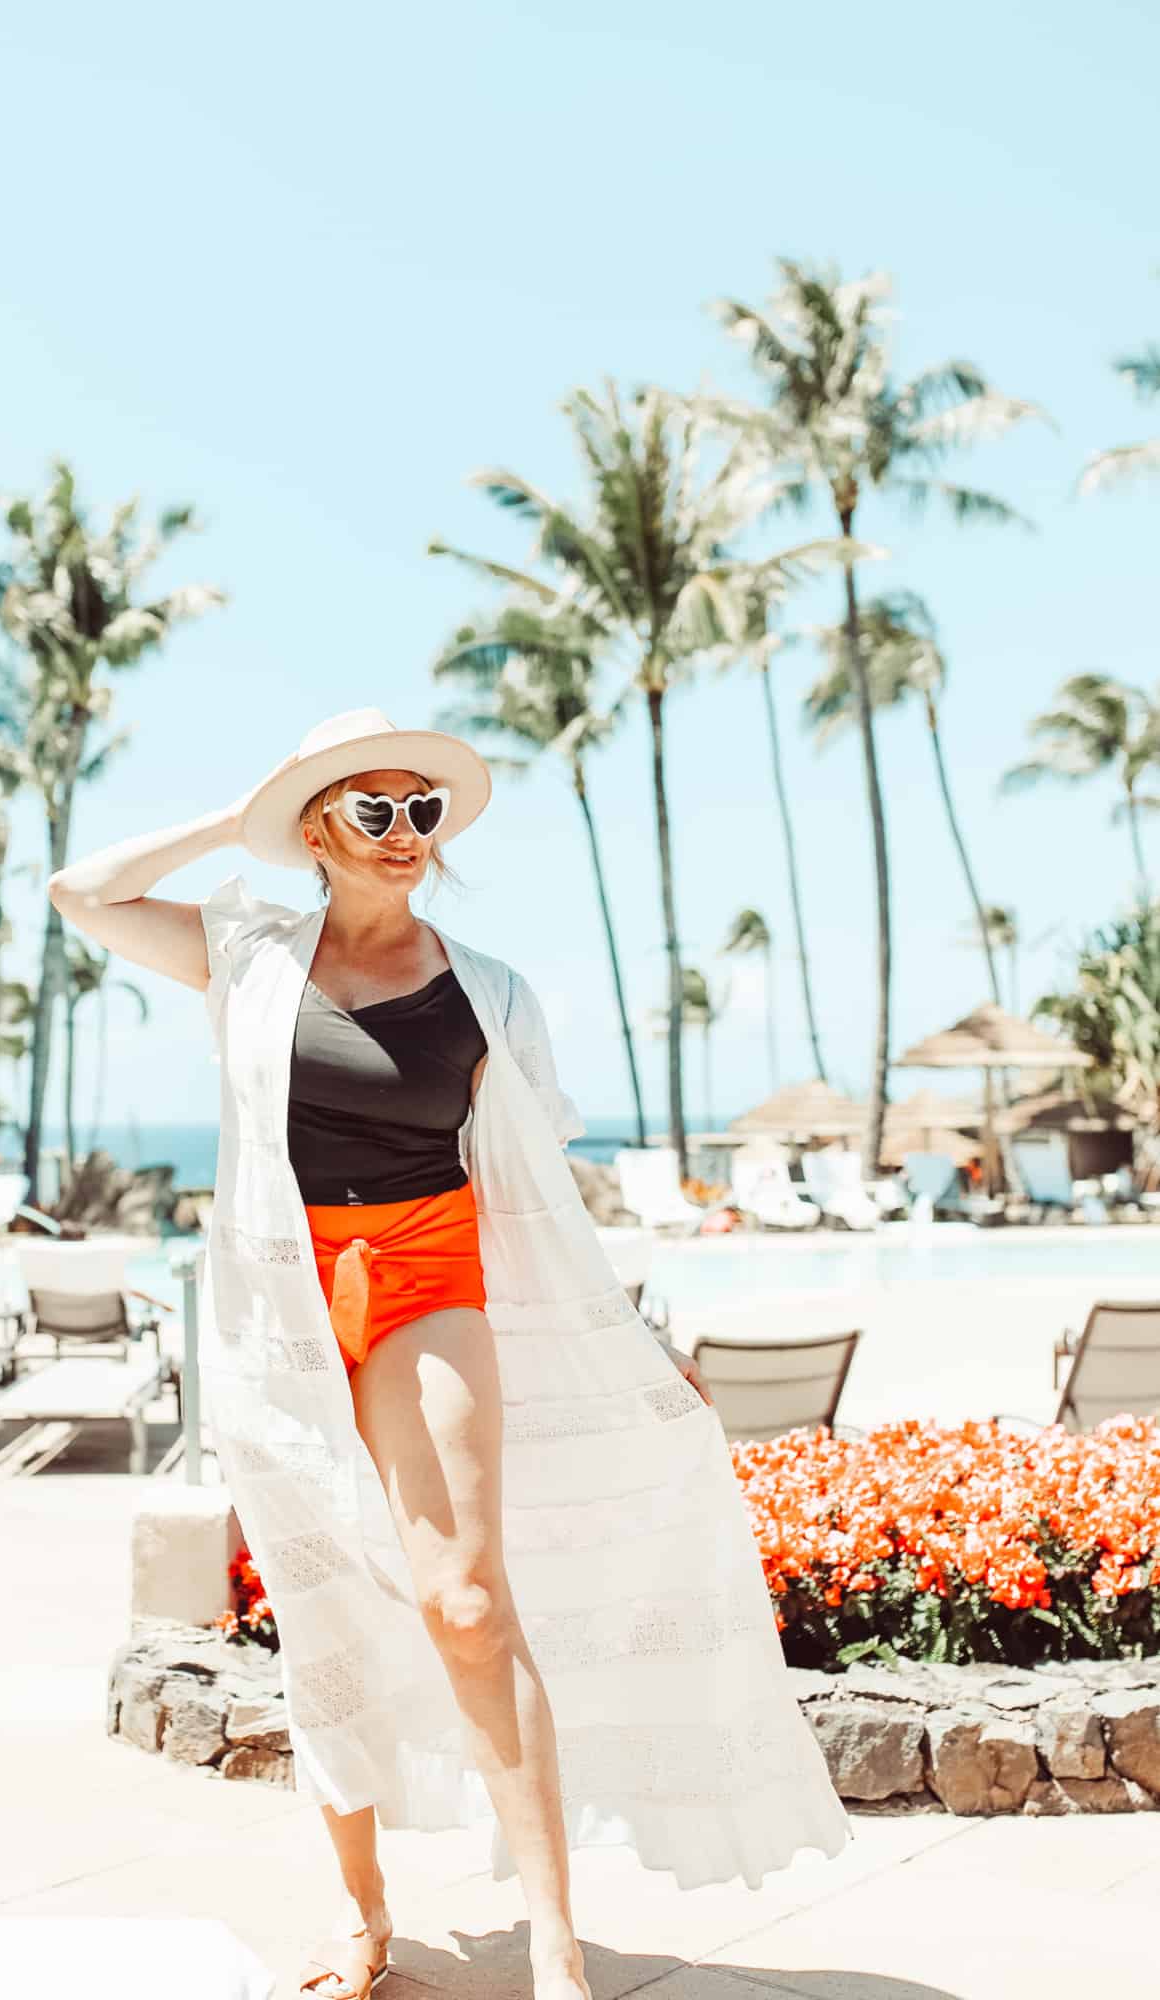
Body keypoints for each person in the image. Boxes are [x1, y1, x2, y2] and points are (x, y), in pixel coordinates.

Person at [50, 708, 850, 2000]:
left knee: (466, 1600)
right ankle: (363, 1917)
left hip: (430, 1273)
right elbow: (82, 894)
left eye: (424, 810)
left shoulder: (490, 991)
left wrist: (625, 1340)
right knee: (325, 1606)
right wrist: (241, 809)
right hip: (286, 1297)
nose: (407, 834)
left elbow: (539, 1174)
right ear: (318, 828)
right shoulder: (249, 954)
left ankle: (553, 1942)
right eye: (374, 810)